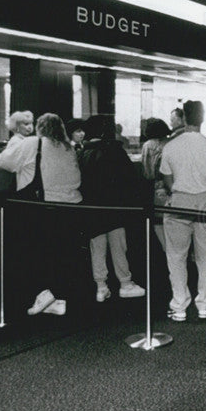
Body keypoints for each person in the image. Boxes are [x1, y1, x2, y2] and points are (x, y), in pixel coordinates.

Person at [0, 113, 82, 316]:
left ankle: (43, 295)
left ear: (39, 128)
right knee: (61, 254)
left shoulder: (34, 143)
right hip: (72, 206)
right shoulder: (68, 147)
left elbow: (3, 161)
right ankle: (59, 299)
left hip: (44, 207)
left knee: (37, 253)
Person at [160, 100, 206, 322]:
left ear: (184, 118)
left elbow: (167, 180)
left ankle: (179, 306)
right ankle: (204, 305)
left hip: (179, 201)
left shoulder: (171, 146)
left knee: (177, 256)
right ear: (203, 118)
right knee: (205, 256)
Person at [78, 115, 146, 303]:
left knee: (97, 247)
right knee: (118, 246)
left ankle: (101, 286)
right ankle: (125, 283)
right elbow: (130, 178)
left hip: (91, 207)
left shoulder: (82, 153)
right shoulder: (114, 150)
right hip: (114, 206)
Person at [140, 117, 172, 247]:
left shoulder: (148, 145)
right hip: (171, 186)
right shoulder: (171, 143)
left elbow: (147, 172)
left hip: (157, 188)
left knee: (158, 223)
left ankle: (167, 252)